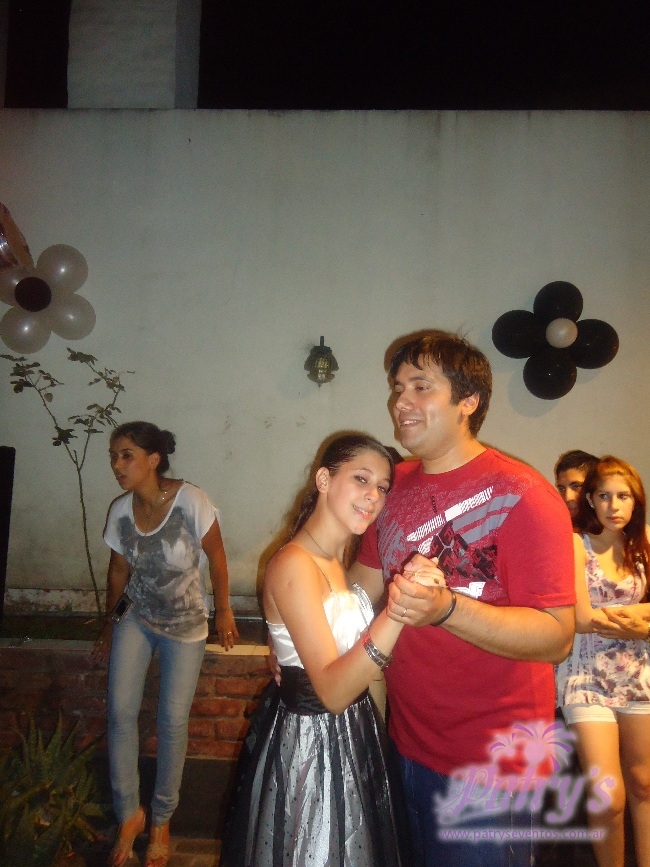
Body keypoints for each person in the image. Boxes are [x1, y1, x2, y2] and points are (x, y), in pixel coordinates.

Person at [349, 330, 576, 867]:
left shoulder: (523, 495)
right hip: (406, 742)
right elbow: (358, 592)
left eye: (421, 386)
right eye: (397, 388)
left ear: (467, 401)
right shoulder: (392, 487)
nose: (401, 402)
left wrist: (446, 609)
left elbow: (556, 637)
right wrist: (298, 638)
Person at [219, 433, 439, 867]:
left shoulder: (335, 563)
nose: (373, 496)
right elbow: (333, 693)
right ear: (323, 479)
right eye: (361, 479)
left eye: (382, 487)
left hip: (352, 734)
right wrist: (400, 609)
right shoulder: (294, 563)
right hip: (311, 745)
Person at [92, 421, 237, 867]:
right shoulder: (121, 510)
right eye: (114, 456)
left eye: (126, 455)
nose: (117, 465)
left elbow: (217, 554)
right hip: (136, 618)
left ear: (153, 460)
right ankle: (129, 815)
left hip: (186, 626)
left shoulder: (191, 500)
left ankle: (161, 819)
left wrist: (224, 610)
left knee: (172, 722)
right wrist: (109, 625)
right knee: (120, 714)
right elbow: (119, 572)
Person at [556, 456, 650, 867]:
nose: (614, 505)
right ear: (591, 501)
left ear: (635, 501)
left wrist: (642, 624)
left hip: (638, 672)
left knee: (644, 784)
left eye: (623, 496)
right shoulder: (575, 544)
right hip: (585, 676)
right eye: (604, 496)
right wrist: (638, 620)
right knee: (607, 796)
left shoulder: (644, 541)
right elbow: (579, 618)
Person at [554, 449, 599, 520]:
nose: (567, 498)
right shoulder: (557, 524)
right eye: (561, 489)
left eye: (576, 486)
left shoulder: (611, 524)